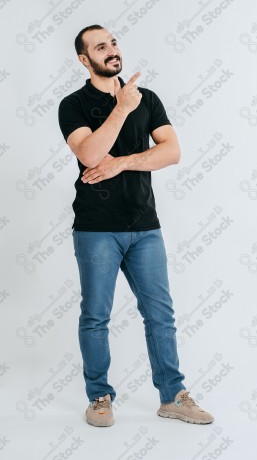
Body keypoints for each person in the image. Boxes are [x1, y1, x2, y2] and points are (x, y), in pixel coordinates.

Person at [58, 24, 214, 427]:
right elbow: (91, 154)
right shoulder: (72, 105)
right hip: (96, 229)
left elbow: (172, 152)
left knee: (160, 314)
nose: (111, 51)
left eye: (113, 43)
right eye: (99, 47)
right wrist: (122, 108)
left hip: (146, 226)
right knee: (95, 315)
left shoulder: (149, 99)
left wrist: (125, 162)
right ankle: (99, 398)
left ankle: (172, 395)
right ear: (83, 59)